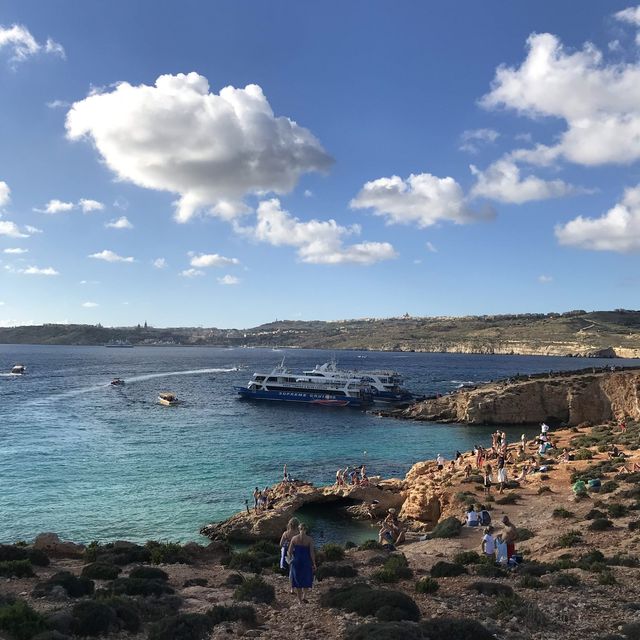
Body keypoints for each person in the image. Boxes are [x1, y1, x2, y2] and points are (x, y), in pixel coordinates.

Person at [287, 522, 316, 603]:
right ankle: (304, 596)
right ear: (306, 529)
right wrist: (314, 563)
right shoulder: (309, 539)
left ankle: (300, 601)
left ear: (298, 529)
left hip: (296, 562)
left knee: (297, 581)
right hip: (306, 561)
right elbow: (311, 553)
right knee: (306, 578)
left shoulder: (294, 538)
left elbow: (289, 552)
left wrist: (290, 560)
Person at [279, 517, 300, 590]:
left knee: (290, 570)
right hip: (297, 553)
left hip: (288, 553)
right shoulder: (299, 533)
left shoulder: (285, 533)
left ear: (290, 524)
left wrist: (286, 545)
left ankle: (291, 588)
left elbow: (281, 544)